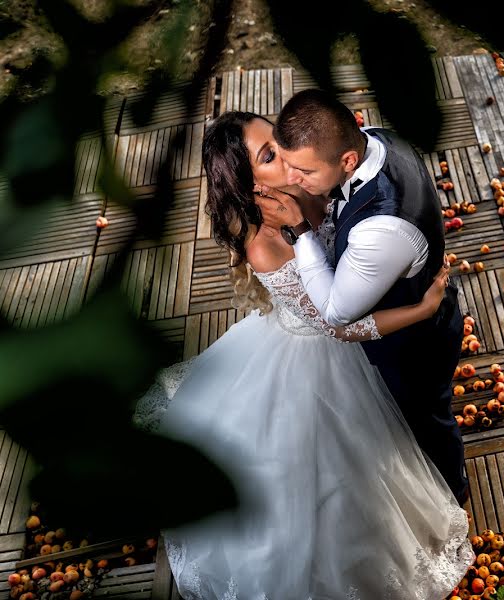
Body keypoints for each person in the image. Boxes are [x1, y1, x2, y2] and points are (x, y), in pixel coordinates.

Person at [133, 111, 473, 600]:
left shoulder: (307, 180)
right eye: (270, 155)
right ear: (253, 188)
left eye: (278, 139)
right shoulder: (266, 242)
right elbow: (339, 326)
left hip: (343, 333)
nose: (289, 155)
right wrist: (420, 310)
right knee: (325, 483)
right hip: (320, 353)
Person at [254, 89, 469, 505]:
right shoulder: (377, 137)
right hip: (411, 303)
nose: (293, 178)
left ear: (347, 161)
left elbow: (336, 312)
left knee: (427, 420)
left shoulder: (380, 229)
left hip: (413, 345)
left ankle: (453, 494)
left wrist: (299, 230)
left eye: (303, 171)